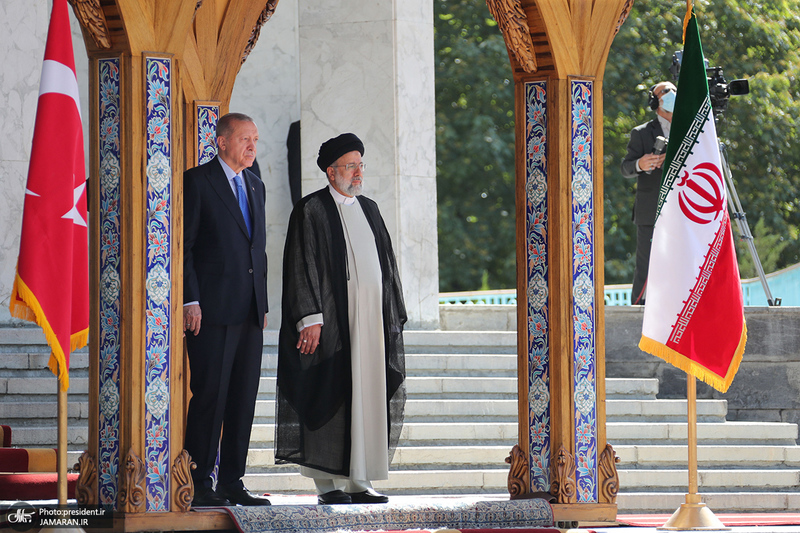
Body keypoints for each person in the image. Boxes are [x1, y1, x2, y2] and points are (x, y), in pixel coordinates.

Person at [275, 133, 407, 505]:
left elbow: (387, 267)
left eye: (360, 165)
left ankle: (359, 481)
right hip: (333, 326)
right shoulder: (311, 209)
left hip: (370, 325)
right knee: (331, 394)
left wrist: (391, 314)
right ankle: (328, 484)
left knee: (367, 396)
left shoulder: (370, 208)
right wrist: (310, 318)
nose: (358, 173)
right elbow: (302, 265)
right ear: (331, 172)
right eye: (351, 166)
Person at [183, 112, 271, 507]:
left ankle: (233, 481)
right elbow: (184, 247)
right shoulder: (197, 181)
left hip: (250, 310)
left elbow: (258, 250)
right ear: (221, 141)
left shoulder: (256, 185)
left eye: (255, 139)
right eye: (244, 139)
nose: (252, 145)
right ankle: (199, 481)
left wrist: (262, 302)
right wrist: (191, 299)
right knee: (210, 395)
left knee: (242, 397)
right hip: (212, 311)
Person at [620, 81, 676, 305]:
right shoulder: (641, 133)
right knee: (645, 267)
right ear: (655, 101)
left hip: (682, 208)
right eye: (665, 91)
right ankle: (638, 314)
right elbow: (625, 168)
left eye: (674, 90)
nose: (672, 94)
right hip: (650, 211)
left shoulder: (691, 128)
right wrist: (641, 164)